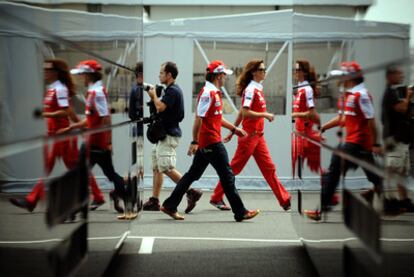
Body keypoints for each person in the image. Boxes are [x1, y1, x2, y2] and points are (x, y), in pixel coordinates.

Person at [161, 60, 260, 222]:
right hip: (211, 143)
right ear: (219, 76)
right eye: (224, 75)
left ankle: (170, 205)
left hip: (207, 143)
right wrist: (194, 141)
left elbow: (216, 118)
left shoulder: (214, 93)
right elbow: (198, 119)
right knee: (227, 176)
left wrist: (234, 129)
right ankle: (240, 212)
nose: (226, 78)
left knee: (191, 175)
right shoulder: (208, 93)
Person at [9, 59, 105, 212]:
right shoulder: (53, 88)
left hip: (63, 136)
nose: (45, 73)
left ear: (55, 72)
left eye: (48, 70)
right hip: (56, 136)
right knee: (58, 168)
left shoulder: (59, 89)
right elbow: (70, 111)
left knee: (75, 168)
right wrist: (79, 126)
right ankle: (32, 200)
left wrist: (74, 125)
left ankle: (32, 200)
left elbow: (65, 111)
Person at [304, 61, 382, 221]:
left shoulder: (362, 95)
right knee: (375, 177)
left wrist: (376, 144)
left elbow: (371, 121)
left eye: (343, 76)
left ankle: (323, 207)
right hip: (357, 145)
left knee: (333, 172)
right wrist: (324, 127)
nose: (340, 79)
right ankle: (384, 202)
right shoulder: (350, 95)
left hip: (357, 143)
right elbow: (343, 119)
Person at [209, 59, 291, 211]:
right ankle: (216, 196)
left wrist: (233, 130)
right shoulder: (251, 90)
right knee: (234, 168)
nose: (264, 72)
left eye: (264, 69)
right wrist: (264, 114)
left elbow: (242, 111)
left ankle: (284, 199)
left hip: (258, 136)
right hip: (249, 136)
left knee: (269, 167)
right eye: (261, 69)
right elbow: (246, 112)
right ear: (254, 72)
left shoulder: (257, 88)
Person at [143, 61, 203, 213]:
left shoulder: (173, 91)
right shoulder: (169, 90)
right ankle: (155, 200)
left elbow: (160, 106)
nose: (159, 75)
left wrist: (154, 95)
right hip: (163, 135)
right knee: (157, 167)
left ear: (169, 75)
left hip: (169, 135)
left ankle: (191, 192)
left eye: (162, 73)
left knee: (167, 167)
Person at [68, 59, 126, 215]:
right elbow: (92, 118)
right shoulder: (93, 91)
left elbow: (106, 118)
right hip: (92, 141)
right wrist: (75, 126)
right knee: (105, 173)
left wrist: (108, 142)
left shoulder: (97, 92)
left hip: (96, 143)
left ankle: (75, 207)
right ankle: (127, 197)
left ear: (90, 75)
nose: (82, 78)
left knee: (85, 173)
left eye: (83, 75)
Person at [381, 65, 414, 212]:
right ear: (390, 76)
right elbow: (402, 108)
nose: (401, 76)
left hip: (399, 138)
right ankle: (389, 200)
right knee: (392, 169)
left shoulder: (393, 92)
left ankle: (403, 200)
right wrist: (408, 95)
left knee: (401, 171)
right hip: (394, 139)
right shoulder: (390, 93)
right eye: (398, 74)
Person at [291, 59, 322, 175]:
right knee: (295, 165)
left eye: (298, 70)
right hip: (299, 133)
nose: (295, 72)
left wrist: (295, 114)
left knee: (314, 168)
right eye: (295, 70)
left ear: (304, 72)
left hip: (307, 135)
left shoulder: (307, 89)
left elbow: (311, 113)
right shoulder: (299, 89)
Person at [128, 62, 144, 179]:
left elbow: (131, 114)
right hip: (149, 132)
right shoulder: (150, 88)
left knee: (139, 160)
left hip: (139, 129)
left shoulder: (135, 90)